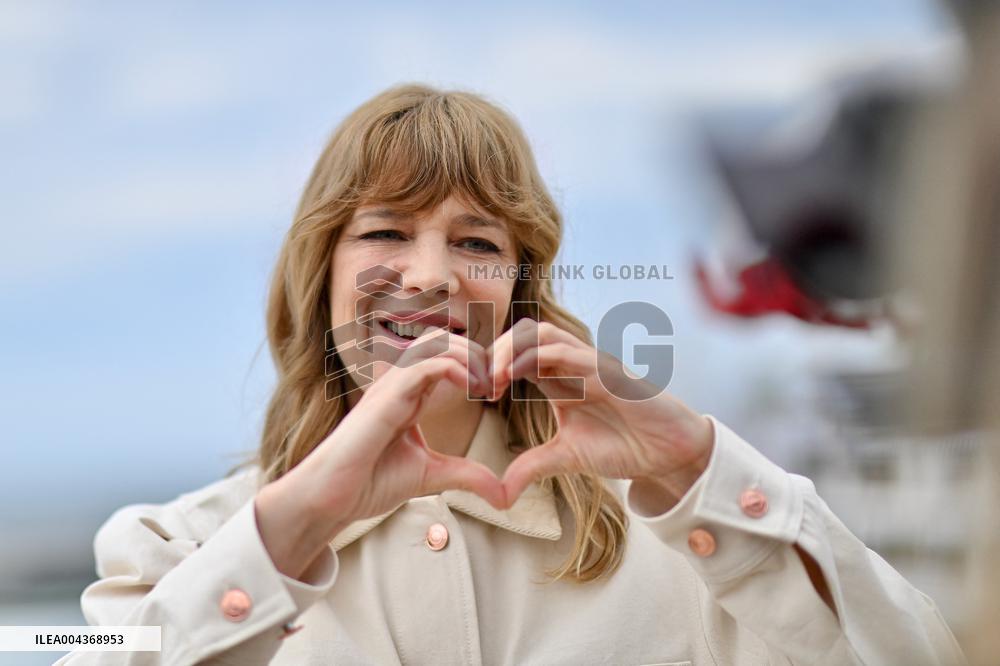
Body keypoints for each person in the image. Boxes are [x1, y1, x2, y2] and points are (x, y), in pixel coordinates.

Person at [58, 85, 967, 665]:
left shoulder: (684, 543)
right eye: (384, 231)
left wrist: (702, 466)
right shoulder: (174, 549)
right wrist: (292, 527)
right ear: (318, 272)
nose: (430, 275)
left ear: (519, 288)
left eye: (475, 242)